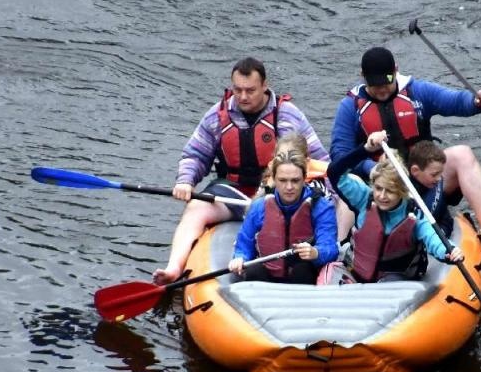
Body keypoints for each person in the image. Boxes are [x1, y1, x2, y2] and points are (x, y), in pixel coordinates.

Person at [155, 57, 327, 284]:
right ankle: (173, 269)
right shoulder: (217, 116)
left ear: (265, 86)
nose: (243, 97)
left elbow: (320, 161)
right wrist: (186, 181)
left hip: (278, 195)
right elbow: (195, 155)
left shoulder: (287, 115)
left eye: (250, 90)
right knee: (195, 208)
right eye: (238, 90)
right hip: (233, 195)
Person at [328, 45, 481, 246]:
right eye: (374, 83)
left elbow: (454, 101)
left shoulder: (417, 91)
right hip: (379, 186)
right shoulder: (350, 107)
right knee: (348, 180)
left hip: (422, 178)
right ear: (362, 76)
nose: (381, 88)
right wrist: (371, 167)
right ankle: (340, 247)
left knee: (462, 154)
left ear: (396, 70)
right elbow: (339, 156)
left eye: (387, 81)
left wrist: (476, 102)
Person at [327, 130, 462, 283]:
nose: (382, 196)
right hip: (356, 270)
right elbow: (334, 172)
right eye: (378, 188)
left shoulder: (413, 214)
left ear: (401, 192)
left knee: (388, 282)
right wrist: (365, 149)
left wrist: (449, 251)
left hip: (395, 279)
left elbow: (433, 238)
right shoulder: (363, 198)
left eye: (390, 191)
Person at [227, 141, 338, 284]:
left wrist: (316, 252)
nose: (289, 187)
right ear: (274, 179)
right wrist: (240, 258)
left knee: (302, 270)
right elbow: (244, 244)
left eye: (295, 181)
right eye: (283, 180)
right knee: (254, 270)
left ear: (304, 178)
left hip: (302, 275)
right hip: (267, 272)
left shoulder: (321, 207)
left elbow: (329, 247)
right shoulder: (259, 206)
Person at [404, 139, 453, 241]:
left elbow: (447, 221)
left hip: (431, 240)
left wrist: (439, 235)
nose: (439, 179)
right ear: (415, 171)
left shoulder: (434, 188)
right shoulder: (402, 192)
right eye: (434, 174)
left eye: (441, 174)